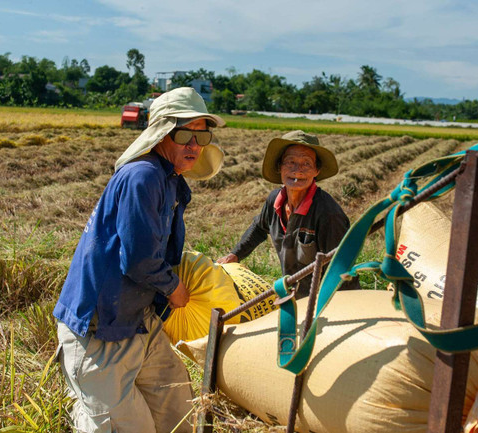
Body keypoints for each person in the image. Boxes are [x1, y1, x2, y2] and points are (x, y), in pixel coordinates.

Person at [52, 87, 225, 433]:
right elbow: (138, 259)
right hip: (100, 329)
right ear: (162, 133)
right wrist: (174, 287)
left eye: (202, 134)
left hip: (138, 320)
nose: (194, 144)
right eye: (185, 133)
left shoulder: (169, 180)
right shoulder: (143, 176)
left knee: (177, 410)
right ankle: (87, 408)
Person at [216, 130, 359, 298]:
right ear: (279, 167)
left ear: (317, 171)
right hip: (294, 296)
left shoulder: (328, 213)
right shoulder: (274, 200)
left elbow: (339, 268)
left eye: (306, 163)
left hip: (329, 300)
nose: (298, 170)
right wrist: (235, 255)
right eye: (290, 162)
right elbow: (259, 228)